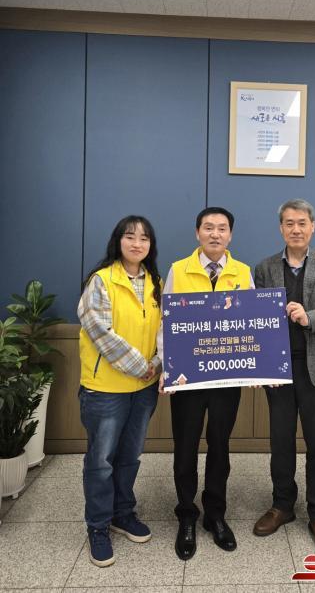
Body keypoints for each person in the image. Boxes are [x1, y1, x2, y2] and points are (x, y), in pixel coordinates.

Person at [253, 199, 315, 554]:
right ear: (281, 228)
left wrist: (310, 317)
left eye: (302, 223)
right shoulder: (264, 268)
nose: (296, 229)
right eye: (289, 223)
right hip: (278, 370)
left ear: (313, 227)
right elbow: (254, 320)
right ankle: (282, 505)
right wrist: (261, 365)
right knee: (280, 441)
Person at [157, 206, 254, 561]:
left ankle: (215, 514)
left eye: (222, 228)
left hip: (227, 376)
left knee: (220, 445)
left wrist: (255, 367)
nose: (215, 234)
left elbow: (252, 322)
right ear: (197, 232)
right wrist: (167, 367)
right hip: (188, 376)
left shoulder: (243, 272)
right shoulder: (178, 270)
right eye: (209, 227)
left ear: (230, 235)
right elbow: (166, 321)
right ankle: (186, 514)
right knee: (185, 446)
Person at [78, 215, 162, 567]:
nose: (137, 243)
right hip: (106, 389)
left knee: (130, 456)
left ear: (150, 246)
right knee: (101, 462)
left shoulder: (156, 283)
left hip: (144, 389)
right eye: (130, 236)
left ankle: (122, 513)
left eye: (144, 238)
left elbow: (166, 329)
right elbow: (99, 331)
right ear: (118, 241)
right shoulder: (101, 280)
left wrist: (157, 362)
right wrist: (141, 365)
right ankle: (98, 525)